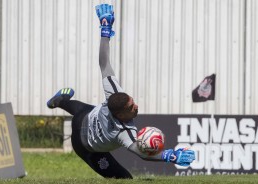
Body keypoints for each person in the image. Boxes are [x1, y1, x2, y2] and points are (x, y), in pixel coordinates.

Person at [47, 4, 195, 179]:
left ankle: (58, 100)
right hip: (85, 146)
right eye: (132, 107)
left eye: (132, 102)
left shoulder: (114, 93)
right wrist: (171, 156)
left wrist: (105, 30)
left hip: (85, 116)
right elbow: (141, 154)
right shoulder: (123, 132)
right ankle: (60, 101)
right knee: (125, 179)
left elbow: (103, 63)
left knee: (75, 107)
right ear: (121, 114)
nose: (136, 106)